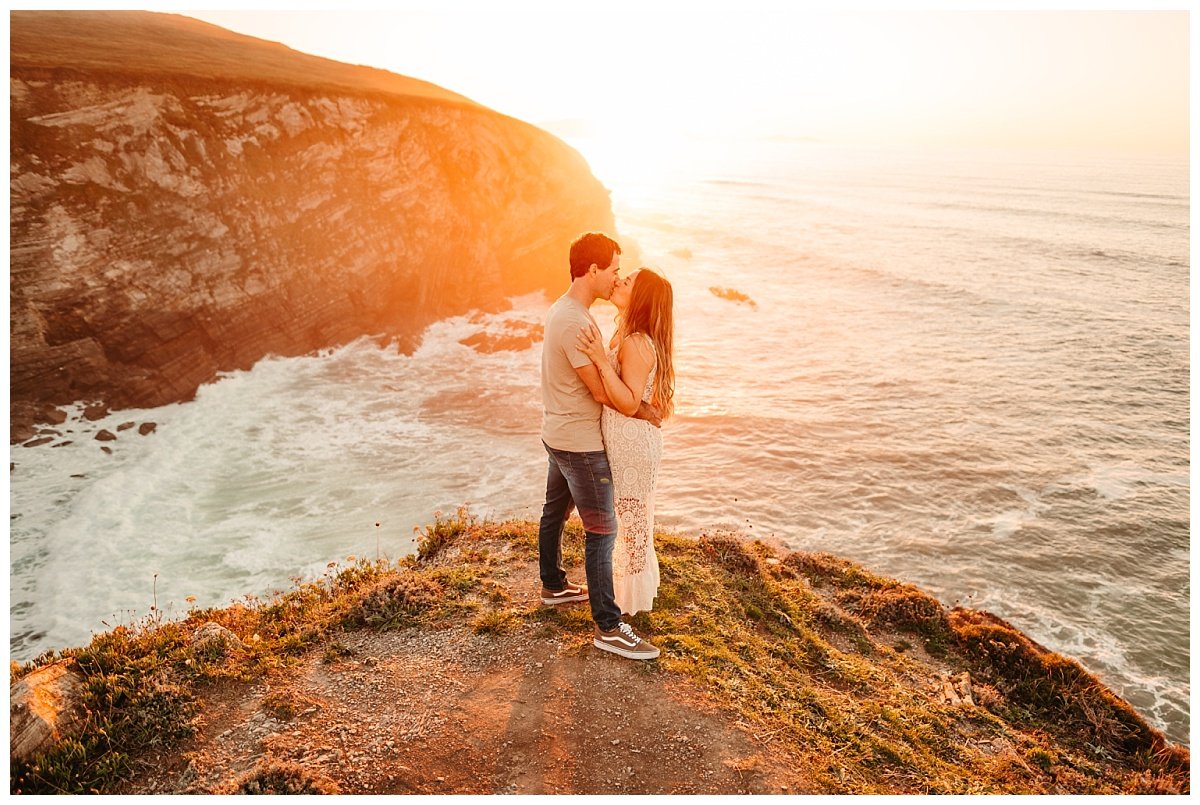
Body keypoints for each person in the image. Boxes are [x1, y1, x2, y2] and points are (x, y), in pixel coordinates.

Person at [538, 232, 662, 661]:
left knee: (555, 510)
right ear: (592, 270)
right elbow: (603, 394)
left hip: (558, 432)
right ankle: (609, 626)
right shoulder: (577, 322)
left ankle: (553, 585)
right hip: (580, 442)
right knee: (602, 530)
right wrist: (644, 409)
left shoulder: (567, 310)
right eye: (613, 270)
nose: (615, 278)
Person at [577, 268, 674, 616]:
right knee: (629, 520)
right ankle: (625, 595)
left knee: (631, 523)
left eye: (628, 282)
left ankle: (630, 603)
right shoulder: (627, 332)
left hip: (633, 444)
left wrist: (600, 359)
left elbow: (630, 402)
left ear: (641, 298)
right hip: (626, 439)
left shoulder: (635, 342)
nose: (619, 281)